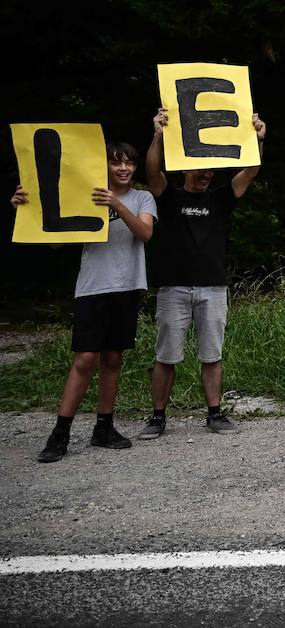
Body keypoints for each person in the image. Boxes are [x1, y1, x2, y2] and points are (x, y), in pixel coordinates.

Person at [15, 142, 157, 462]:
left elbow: (145, 233)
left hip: (127, 287)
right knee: (85, 360)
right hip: (93, 288)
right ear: (104, 166)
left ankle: (103, 427)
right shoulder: (88, 198)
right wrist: (24, 209)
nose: (124, 169)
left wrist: (117, 206)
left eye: (129, 164)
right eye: (116, 163)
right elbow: (56, 243)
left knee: (112, 360)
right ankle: (59, 433)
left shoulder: (142, 198)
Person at [139, 107, 267, 438]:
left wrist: (257, 139)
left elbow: (250, 172)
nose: (207, 172)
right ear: (185, 167)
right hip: (174, 288)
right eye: (200, 167)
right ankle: (157, 417)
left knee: (212, 354)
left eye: (211, 168)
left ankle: (214, 413)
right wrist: (158, 136)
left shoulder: (221, 199)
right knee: (166, 356)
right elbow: (152, 171)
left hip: (213, 289)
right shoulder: (169, 198)